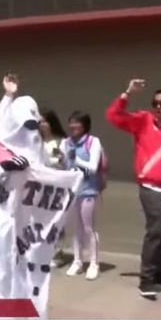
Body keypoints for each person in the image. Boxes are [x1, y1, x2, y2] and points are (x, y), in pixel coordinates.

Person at [106, 79, 161, 298]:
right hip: (149, 187)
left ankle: (159, 274)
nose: (158, 107)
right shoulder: (143, 121)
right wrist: (127, 94)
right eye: (155, 103)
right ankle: (146, 280)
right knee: (154, 232)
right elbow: (113, 117)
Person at [61, 111, 103, 280]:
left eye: (77, 123)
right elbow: (64, 167)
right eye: (71, 122)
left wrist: (76, 160)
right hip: (72, 192)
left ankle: (93, 263)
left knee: (88, 228)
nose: (73, 126)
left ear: (84, 125)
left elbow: (92, 168)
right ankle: (77, 261)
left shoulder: (93, 142)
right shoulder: (65, 143)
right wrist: (61, 160)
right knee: (76, 228)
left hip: (88, 191)